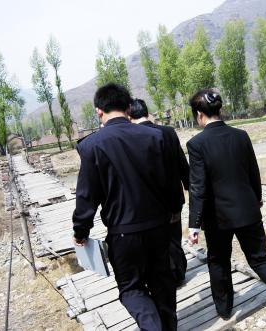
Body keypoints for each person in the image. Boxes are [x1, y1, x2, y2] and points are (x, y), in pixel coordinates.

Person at [186, 89, 266, 331]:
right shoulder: (241, 136)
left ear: (199, 115)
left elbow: (198, 188)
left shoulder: (196, 144)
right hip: (247, 210)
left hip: (217, 218)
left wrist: (193, 224)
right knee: (260, 260)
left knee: (218, 261)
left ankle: (224, 308)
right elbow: (253, 171)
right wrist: (257, 199)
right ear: (218, 110)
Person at [72, 83, 177, 331]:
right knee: (163, 285)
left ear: (99, 111)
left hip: (123, 233)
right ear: (129, 107)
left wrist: (81, 231)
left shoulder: (91, 146)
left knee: (131, 289)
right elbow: (170, 182)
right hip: (159, 227)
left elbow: (87, 196)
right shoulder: (156, 137)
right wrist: (173, 211)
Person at [129, 98, 189, 286]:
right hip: (173, 199)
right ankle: (178, 274)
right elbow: (181, 162)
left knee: (154, 243)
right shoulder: (168, 132)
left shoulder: (131, 136)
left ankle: (161, 277)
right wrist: (189, 184)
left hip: (148, 203)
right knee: (173, 238)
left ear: (129, 115)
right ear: (147, 112)